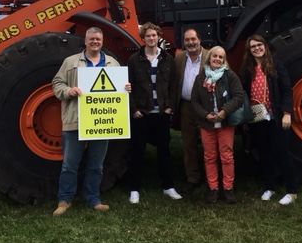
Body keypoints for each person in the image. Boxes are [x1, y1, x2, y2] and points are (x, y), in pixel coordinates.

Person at [51, 27, 130, 216]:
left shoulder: (113, 63)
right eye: (92, 39)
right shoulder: (70, 62)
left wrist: (125, 88)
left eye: (98, 39)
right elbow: (57, 83)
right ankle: (65, 200)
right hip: (75, 121)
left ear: (102, 42)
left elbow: (119, 89)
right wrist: (68, 91)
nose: (95, 42)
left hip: (102, 123)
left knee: (96, 165)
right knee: (70, 164)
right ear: (85, 41)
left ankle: (93, 199)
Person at [238, 34, 298, 205]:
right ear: (249, 51)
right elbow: (244, 95)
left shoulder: (276, 65)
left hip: (276, 117)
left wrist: (286, 113)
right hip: (257, 117)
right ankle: (269, 187)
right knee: (264, 153)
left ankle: (291, 191)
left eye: (259, 45)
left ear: (265, 46)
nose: (257, 48)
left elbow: (287, 90)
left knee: (281, 152)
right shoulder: (248, 70)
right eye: (253, 47)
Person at [127, 22, 181, 204]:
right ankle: (134, 189)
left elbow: (174, 85)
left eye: (154, 35)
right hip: (142, 113)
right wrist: (134, 109)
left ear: (159, 37)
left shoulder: (168, 59)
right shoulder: (134, 60)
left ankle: (168, 187)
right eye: (148, 36)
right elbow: (129, 86)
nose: (151, 38)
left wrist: (169, 108)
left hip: (161, 114)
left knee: (164, 151)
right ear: (143, 38)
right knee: (138, 151)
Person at [190, 46, 245, 204]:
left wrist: (224, 112)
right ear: (209, 58)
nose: (217, 59)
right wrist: (205, 115)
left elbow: (238, 96)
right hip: (207, 123)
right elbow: (194, 101)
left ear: (224, 60)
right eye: (215, 56)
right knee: (209, 156)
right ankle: (213, 188)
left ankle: (228, 188)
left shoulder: (230, 76)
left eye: (221, 57)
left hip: (225, 122)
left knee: (226, 155)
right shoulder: (201, 77)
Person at [174, 28, 209, 193]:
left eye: (193, 39)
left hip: (206, 106)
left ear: (199, 39)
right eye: (187, 40)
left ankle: (212, 179)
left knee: (209, 143)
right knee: (189, 143)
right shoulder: (180, 58)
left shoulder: (211, 56)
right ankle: (193, 178)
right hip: (186, 106)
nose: (190, 43)